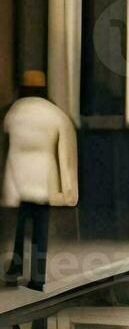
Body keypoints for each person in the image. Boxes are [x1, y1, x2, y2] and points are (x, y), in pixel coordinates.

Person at [2, 70, 77, 291]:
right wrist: (69, 189)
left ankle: (15, 266)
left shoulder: (14, 113)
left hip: (18, 176)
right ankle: (37, 276)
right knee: (40, 231)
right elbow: (66, 153)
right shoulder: (53, 113)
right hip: (44, 177)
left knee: (20, 226)